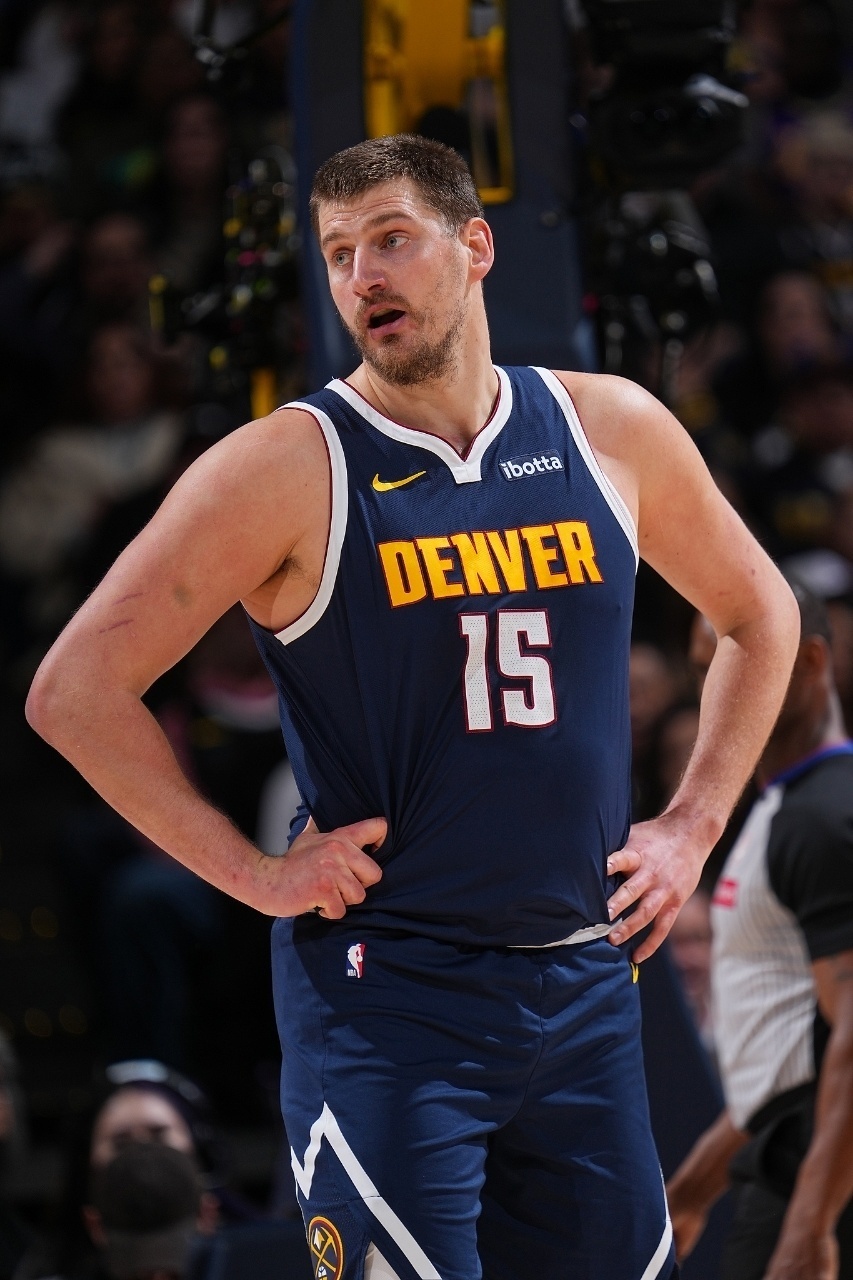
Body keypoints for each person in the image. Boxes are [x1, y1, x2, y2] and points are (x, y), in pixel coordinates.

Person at [26, 135, 800, 1280]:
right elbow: (74, 691)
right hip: (391, 990)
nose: (363, 275)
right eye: (339, 252)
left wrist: (691, 825)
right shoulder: (287, 466)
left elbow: (760, 614)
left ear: (475, 245)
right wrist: (255, 873)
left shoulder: (609, 428)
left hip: (583, 979)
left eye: (390, 238)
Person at [666, 581, 853, 1280]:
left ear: (809, 663)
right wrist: (692, 1189)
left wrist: (808, 1227)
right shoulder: (781, 812)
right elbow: (791, 1062)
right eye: (703, 669)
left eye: (734, 657)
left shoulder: (823, 818)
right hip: (790, 1169)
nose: (714, 690)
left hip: (817, 1190)